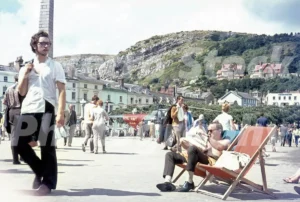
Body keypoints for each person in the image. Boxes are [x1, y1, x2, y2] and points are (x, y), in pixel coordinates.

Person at [16, 30, 66, 195]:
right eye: (43, 43)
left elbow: (62, 90)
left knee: (47, 146)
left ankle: (48, 183)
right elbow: (22, 92)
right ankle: (41, 170)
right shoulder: (27, 66)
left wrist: (60, 113)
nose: (46, 46)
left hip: (46, 106)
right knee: (19, 144)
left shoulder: (55, 66)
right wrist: (25, 75)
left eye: (48, 43)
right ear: (34, 45)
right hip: (29, 107)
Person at [156, 122, 230, 192]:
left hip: (210, 161)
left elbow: (220, 147)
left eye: (211, 131)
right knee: (170, 155)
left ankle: (189, 182)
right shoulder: (208, 140)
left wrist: (206, 137)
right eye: (208, 131)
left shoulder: (225, 141)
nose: (209, 133)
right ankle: (167, 182)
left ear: (219, 131)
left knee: (192, 149)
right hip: (197, 158)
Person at [2, 74, 24, 164]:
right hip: (22, 111)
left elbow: (4, 102)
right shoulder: (23, 88)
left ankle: (16, 158)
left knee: (14, 136)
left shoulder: (8, 89)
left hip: (11, 112)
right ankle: (20, 157)